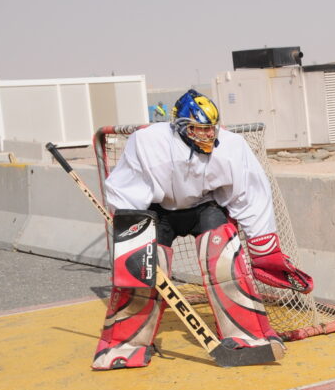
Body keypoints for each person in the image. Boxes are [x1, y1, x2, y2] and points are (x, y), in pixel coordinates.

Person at [92, 89, 313, 370]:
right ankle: (123, 344)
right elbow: (126, 188)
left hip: (204, 207)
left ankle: (249, 336)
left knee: (226, 261)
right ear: (181, 127)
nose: (208, 136)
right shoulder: (148, 142)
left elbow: (250, 194)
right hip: (159, 211)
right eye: (199, 129)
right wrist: (133, 239)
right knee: (142, 272)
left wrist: (263, 246)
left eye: (211, 130)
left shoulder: (232, 146)